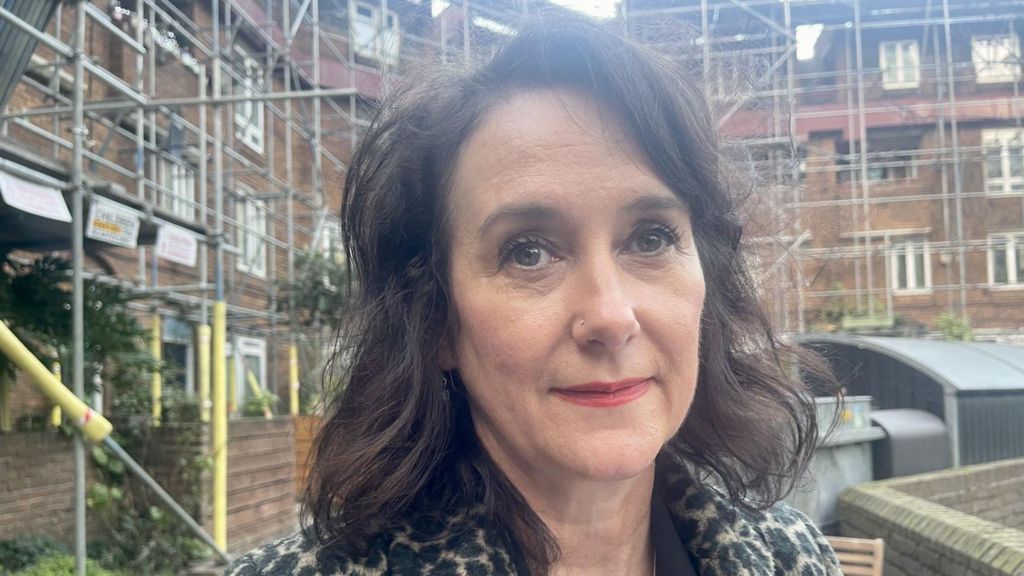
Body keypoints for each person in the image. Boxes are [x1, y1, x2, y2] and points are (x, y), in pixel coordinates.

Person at [228, 13, 842, 576]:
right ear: (438, 319)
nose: (610, 316)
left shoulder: (794, 560)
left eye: (650, 238)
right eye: (528, 252)